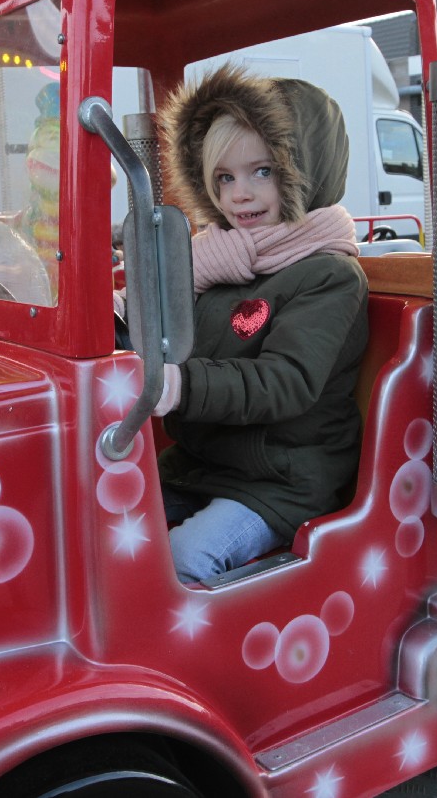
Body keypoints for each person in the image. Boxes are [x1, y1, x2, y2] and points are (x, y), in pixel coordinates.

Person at [148, 64, 369, 583]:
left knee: (184, 560)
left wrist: (179, 384)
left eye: (262, 172)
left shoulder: (328, 275)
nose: (238, 195)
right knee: (102, 511)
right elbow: (168, 330)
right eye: (224, 177)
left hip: (282, 477)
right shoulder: (219, 260)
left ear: (304, 171)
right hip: (205, 462)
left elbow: (284, 381)